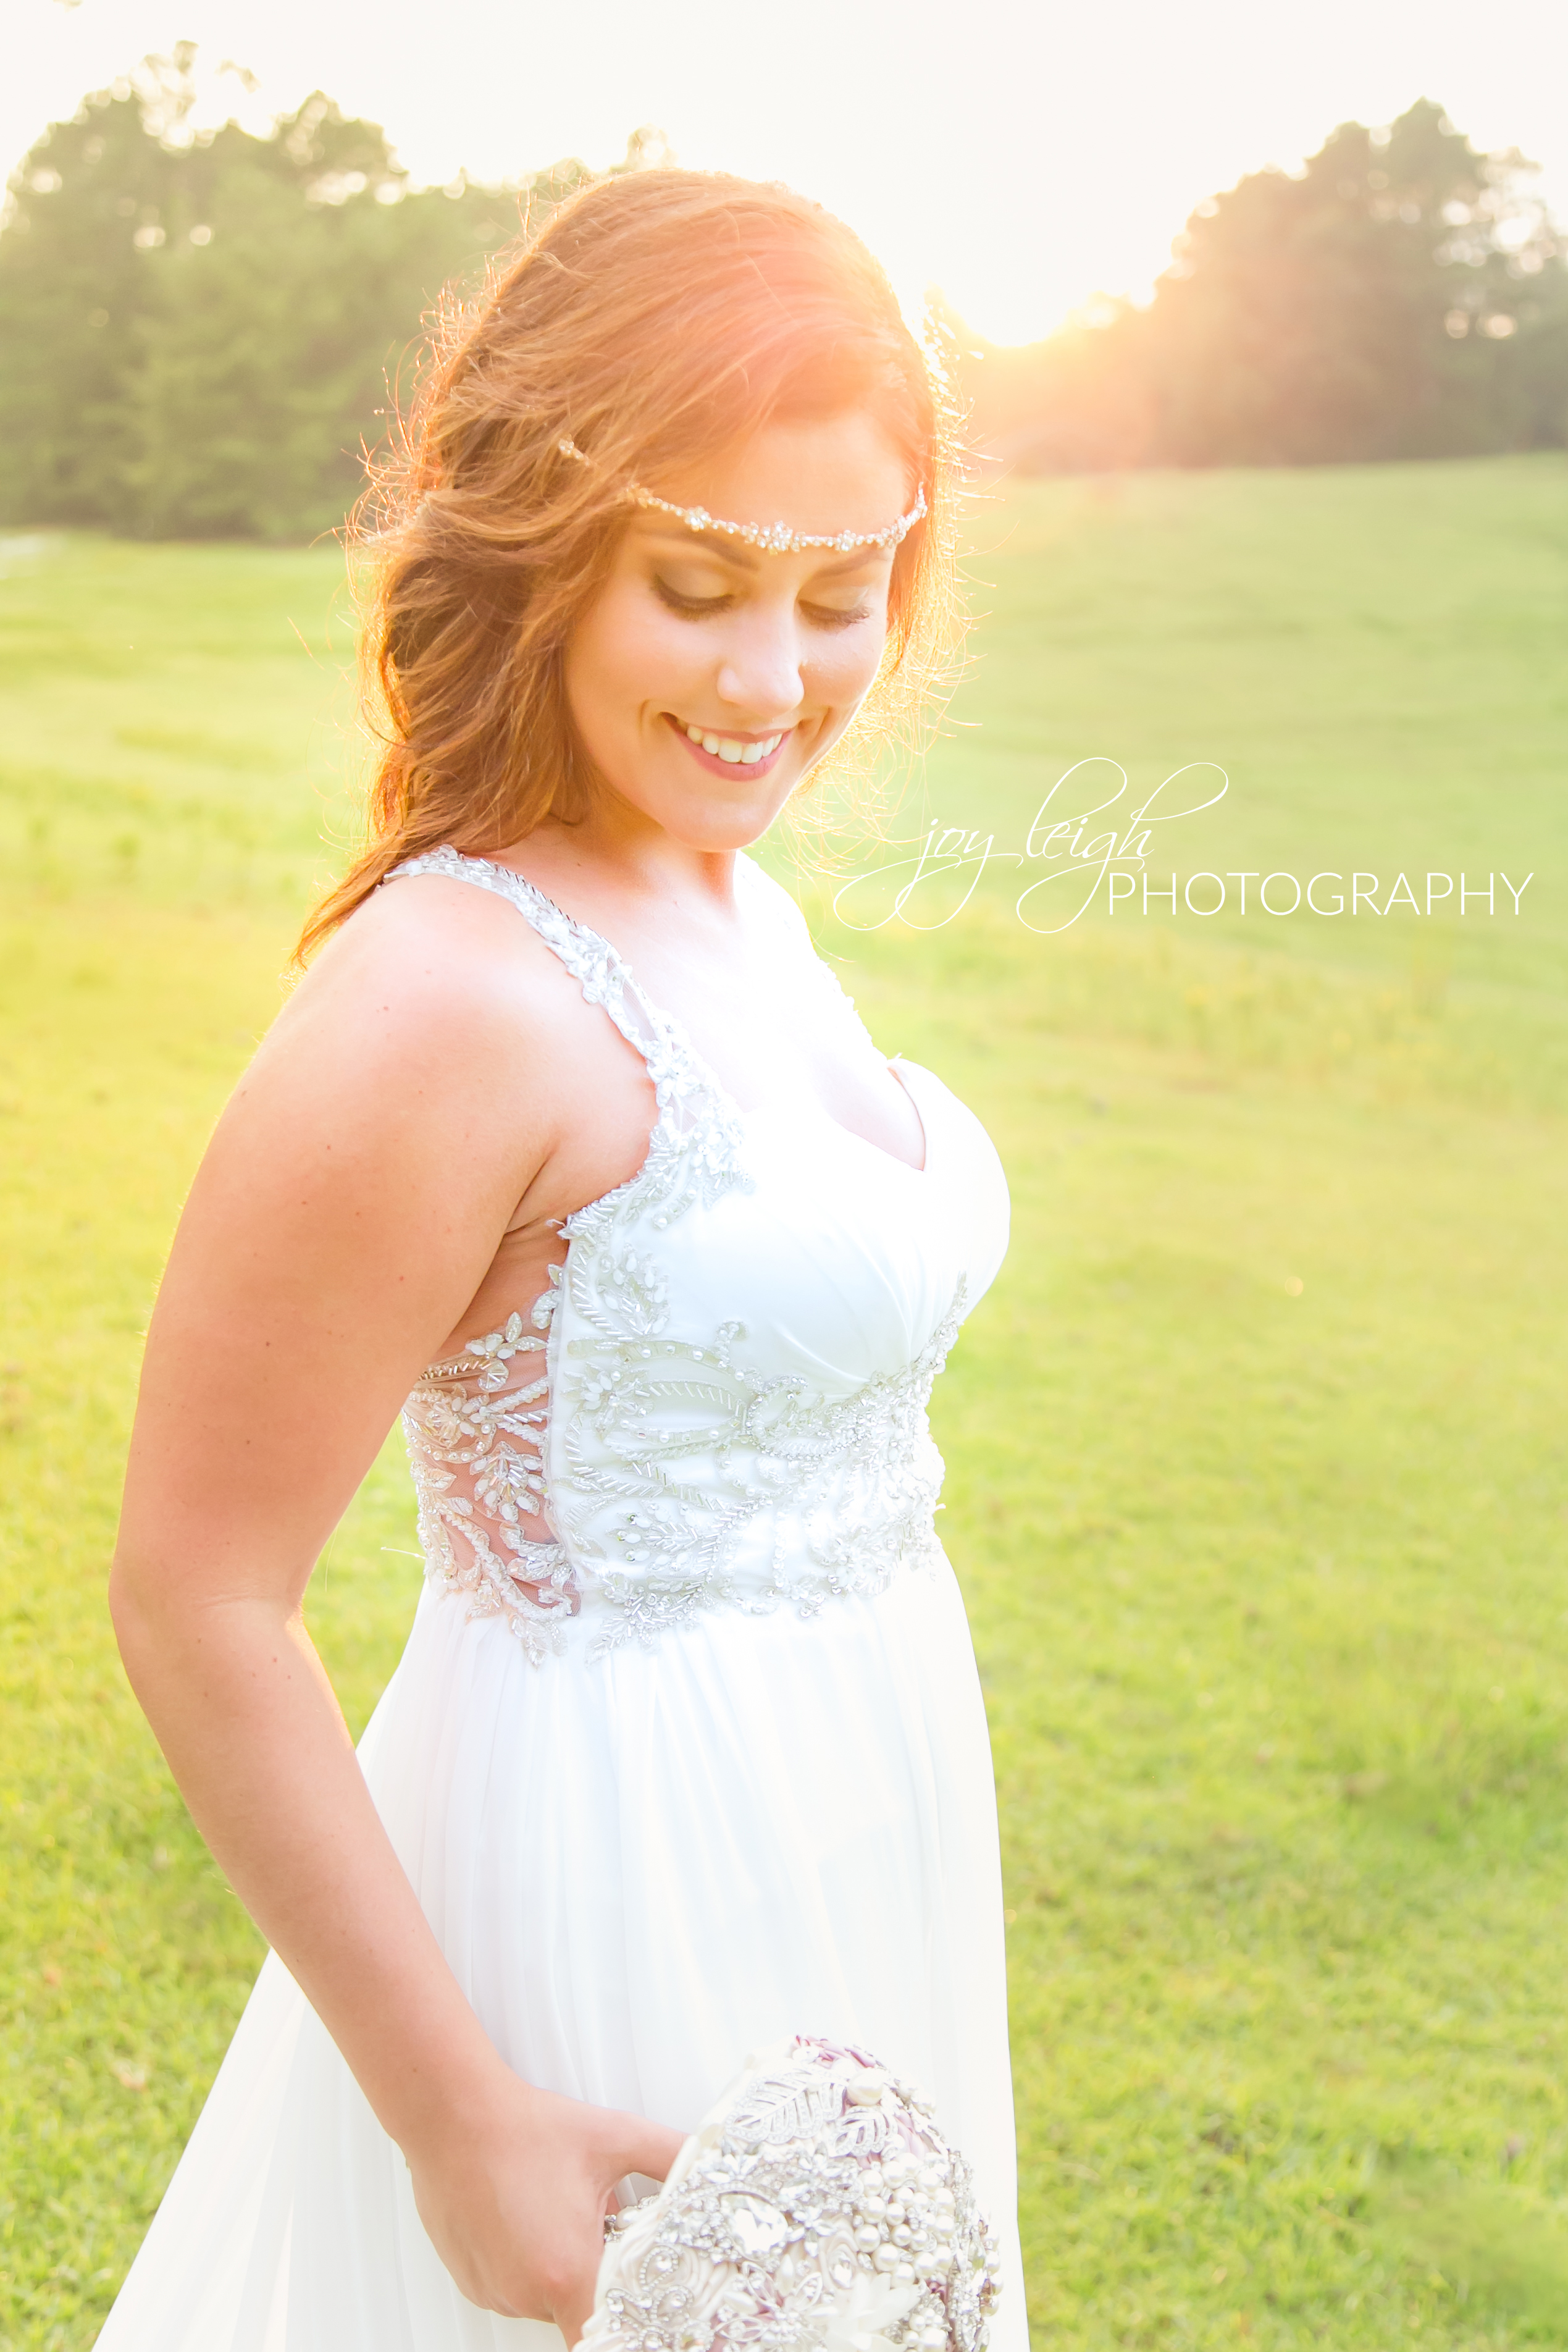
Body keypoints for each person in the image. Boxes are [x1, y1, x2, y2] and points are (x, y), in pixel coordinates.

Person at [101, 167, 1022, 2351]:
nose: (773, 678)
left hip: (864, 1793)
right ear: (544, 547)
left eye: (841, 593)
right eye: (698, 587)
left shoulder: (733, 898)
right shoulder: (443, 1003)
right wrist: (456, 2114)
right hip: (612, 1868)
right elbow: (198, 1595)